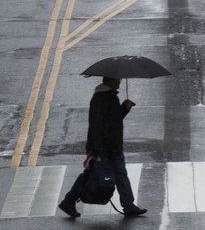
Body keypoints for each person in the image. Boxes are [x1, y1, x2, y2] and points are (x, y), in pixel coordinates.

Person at [58, 78, 146, 219]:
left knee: (121, 174)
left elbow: (113, 120)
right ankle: (69, 201)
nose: (119, 83)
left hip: (113, 146)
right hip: (103, 147)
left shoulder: (110, 97)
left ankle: (129, 205)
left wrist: (124, 108)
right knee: (92, 175)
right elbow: (96, 125)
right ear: (109, 81)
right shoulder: (101, 98)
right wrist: (96, 149)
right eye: (117, 80)